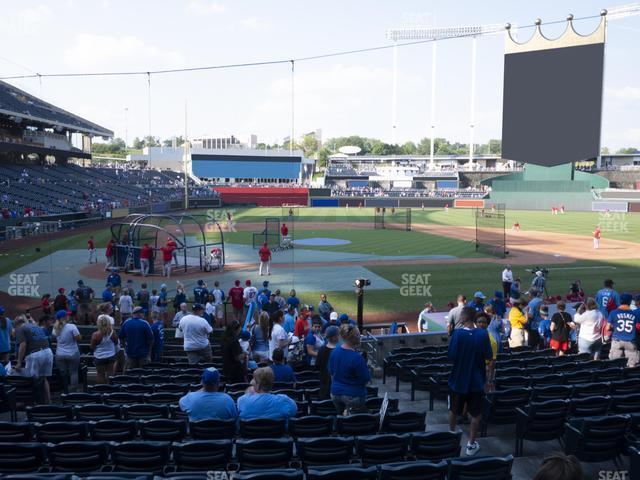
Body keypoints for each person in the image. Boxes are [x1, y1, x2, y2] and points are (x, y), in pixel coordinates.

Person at [447, 306, 493, 456]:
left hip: (458, 380)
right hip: (477, 381)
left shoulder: (458, 334)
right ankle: (471, 445)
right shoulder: (482, 334)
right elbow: (488, 357)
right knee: (475, 414)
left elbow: (451, 356)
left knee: (454, 410)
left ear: (464, 318)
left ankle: (451, 439)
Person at [329, 324, 370, 415]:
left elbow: (331, 373)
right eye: (358, 335)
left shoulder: (334, 352)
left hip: (335, 393)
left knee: (341, 421)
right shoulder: (357, 358)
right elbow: (366, 379)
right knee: (353, 424)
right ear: (353, 338)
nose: (360, 337)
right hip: (353, 395)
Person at [15, 316, 54, 403]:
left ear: (17, 325)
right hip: (48, 351)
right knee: (43, 378)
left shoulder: (21, 329)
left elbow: (23, 345)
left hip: (36, 355)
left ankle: (37, 404)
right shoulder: (34, 325)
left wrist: (19, 362)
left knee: (34, 380)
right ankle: (49, 401)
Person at [606, 293, 640, 367]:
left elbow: (607, 328)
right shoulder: (635, 314)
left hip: (617, 341)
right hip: (630, 342)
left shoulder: (613, 312)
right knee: (632, 367)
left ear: (620, 301)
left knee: (615, 365)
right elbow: (638, 328)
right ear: (630, 302)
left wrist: (615, 326)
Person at [51, 310, 82, 392]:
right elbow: (79, 339)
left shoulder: (55, 328)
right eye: (67, 315)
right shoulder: (72, 326)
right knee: (74, 372)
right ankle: (73, 392)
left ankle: (65, 391)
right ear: (64, 317)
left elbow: (54, 337)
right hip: (72, 353)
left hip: (60, 354)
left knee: (63, 374)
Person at [91, 315, 118, 384]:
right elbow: (116, 343)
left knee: (100, 374)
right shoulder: (113, 333)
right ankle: (110, 389)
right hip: (111, 356)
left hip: (99, 356)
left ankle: (102, 391)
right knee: (110, 373)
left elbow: (92, 347)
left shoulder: (95, 335)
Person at [475, 311, 496, 392]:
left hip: (484, 371)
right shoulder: (471, 337)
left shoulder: (492, 341)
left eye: (484, 322)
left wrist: (489, 381)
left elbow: (492, 363)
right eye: (479, 322)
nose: (481, 324)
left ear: (487, 324)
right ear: (475, 323)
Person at [316, 325, 339, 399]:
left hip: (324, 384)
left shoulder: (322, 349)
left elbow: (317, 366)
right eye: (338, 335)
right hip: (337, 385)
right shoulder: (340, 351)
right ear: (334, 337)